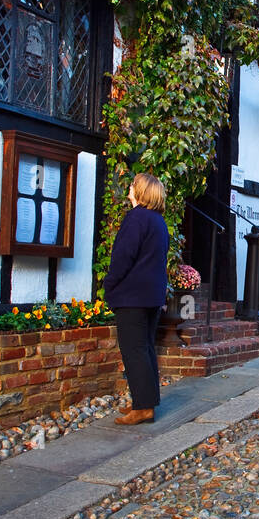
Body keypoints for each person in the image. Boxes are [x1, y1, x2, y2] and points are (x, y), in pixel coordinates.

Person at [103, 172, 170, 426]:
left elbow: (123, 257)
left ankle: (143, 408)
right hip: (151, 295)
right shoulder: (158, 221)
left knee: (134, 350)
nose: (129, 188)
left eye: (132, 184)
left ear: (140, 191)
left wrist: (109, 284)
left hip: (132, 296)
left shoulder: (136, 218)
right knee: (146, 349)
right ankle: (145, 401)